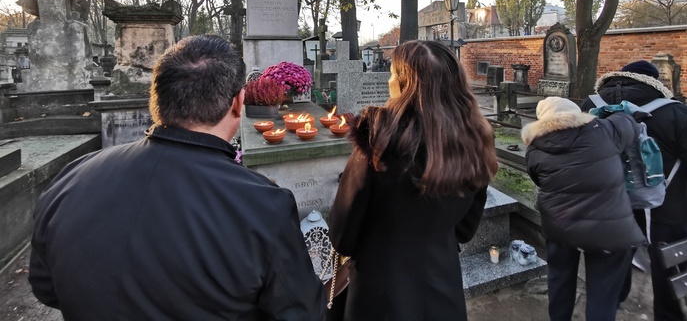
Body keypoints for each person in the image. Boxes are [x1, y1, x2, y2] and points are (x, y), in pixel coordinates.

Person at [29, 35, 326, 321]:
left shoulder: (72, 176)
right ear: (238, 103)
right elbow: (300, 312)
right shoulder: (263, 205)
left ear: (156, 100)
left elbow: (45, 287)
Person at [329, 40, 497, 321]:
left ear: (406, 84)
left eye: (394, 72)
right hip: (442, 282)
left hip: (380, 289)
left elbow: (342, 236)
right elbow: (466, 229)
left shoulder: (378, 140)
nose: (389, 79)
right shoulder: (475, 141)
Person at [581, 60, 687, 320]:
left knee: (609, 261)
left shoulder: (590, 106)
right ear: (654, 83)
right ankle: (670, 314)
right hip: (667, 206)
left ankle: (607, 306)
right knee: (670, 266)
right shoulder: (678, 113)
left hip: (605, 201)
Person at [523, 96, 646, 321]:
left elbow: (538, 179)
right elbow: (629, 122)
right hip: (608, 227)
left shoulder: (535, 148)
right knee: (603, 294)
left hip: (560, 224)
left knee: (559, 279)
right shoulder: (606, 131)